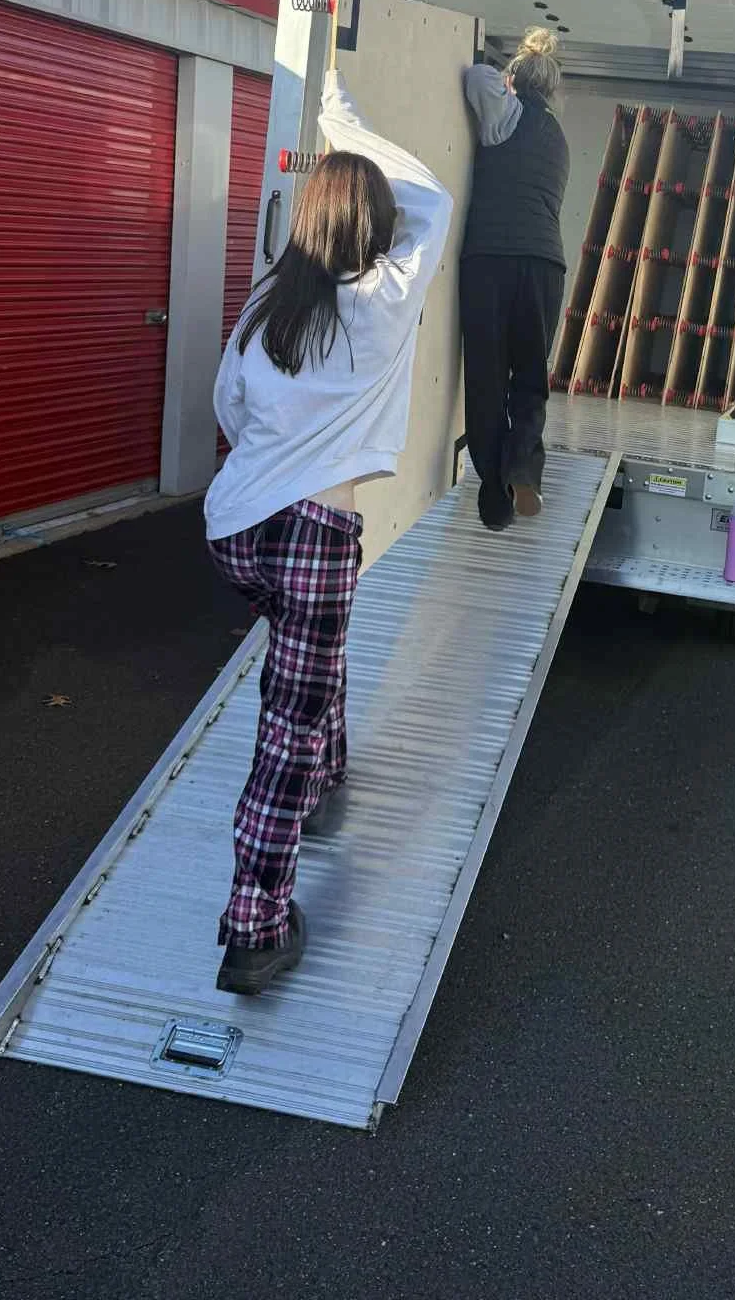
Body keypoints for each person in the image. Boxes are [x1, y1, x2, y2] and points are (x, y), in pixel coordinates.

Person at [203, 69, 453, 994]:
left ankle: (327, 776)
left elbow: (226, 406)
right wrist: (349, 123)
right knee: (284, 730)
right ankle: (255, 928)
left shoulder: (272, 302)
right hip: (313, 539)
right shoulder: (387, 299)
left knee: (309, 671)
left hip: (235, 531)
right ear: (375, 230)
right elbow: (439, 198)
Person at [460, 25, 571, 531]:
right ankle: (524, 468)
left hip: (490, 262)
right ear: (551, 90)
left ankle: (493, 492)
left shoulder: (508, 111)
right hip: (546, 266)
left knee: (486, 379)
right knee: (530, 378)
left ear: (517, 81)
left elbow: (475, 78)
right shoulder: (558, 137)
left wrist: (504, 72)